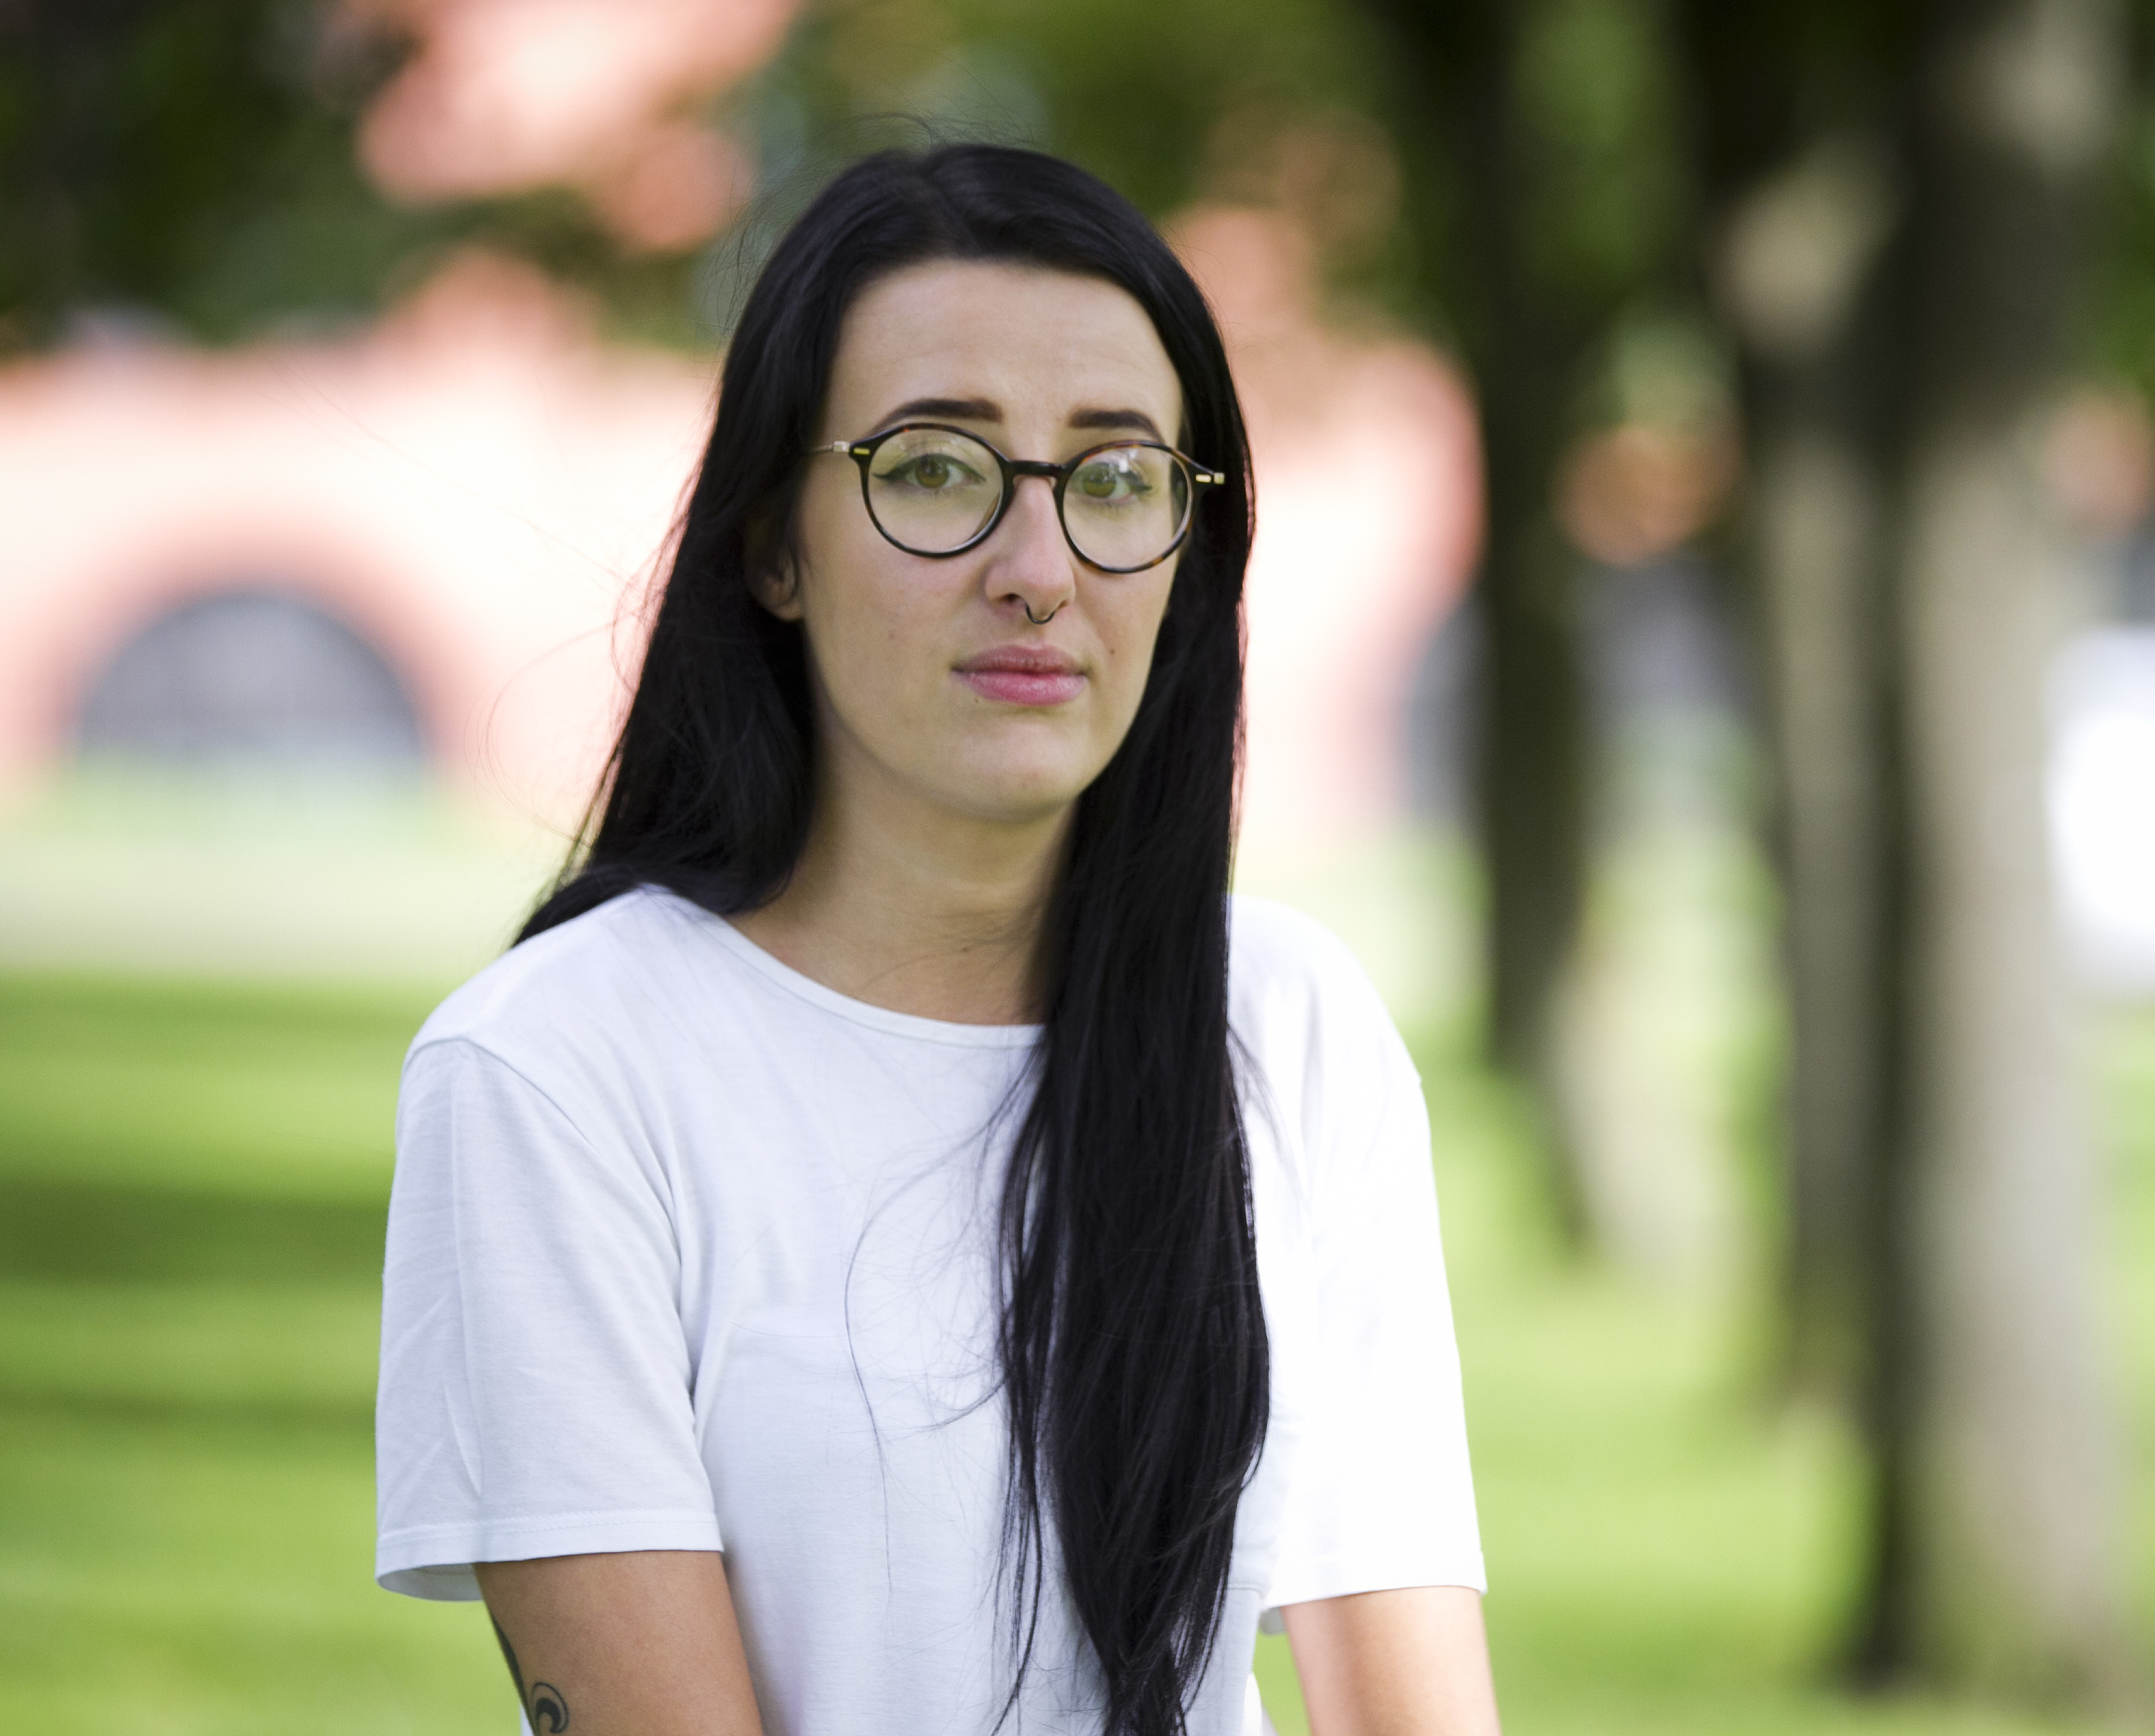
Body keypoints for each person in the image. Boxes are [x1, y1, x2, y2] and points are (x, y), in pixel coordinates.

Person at [373, 144, 1497, 1736]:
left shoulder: (1289, 1024)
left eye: (1115, 481)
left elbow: (1412, 1705)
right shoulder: (556, 1074)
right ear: (773, 543)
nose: (1037, 573)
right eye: (935, 470)